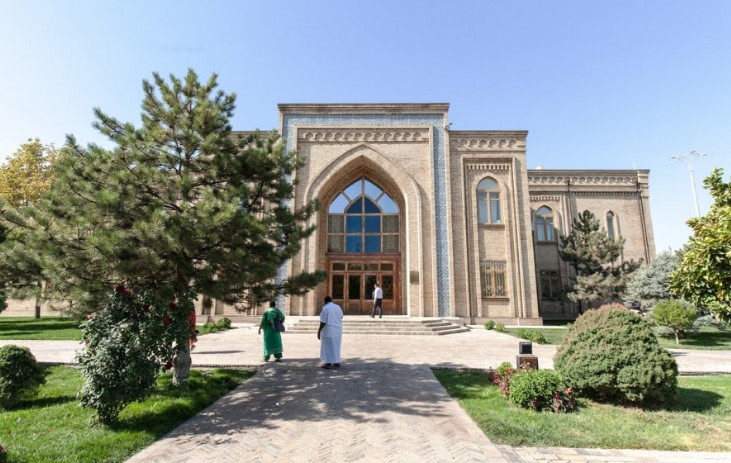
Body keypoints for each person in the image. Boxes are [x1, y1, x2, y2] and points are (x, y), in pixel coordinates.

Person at [317, 296, 343, 369]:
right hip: (337, 330)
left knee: (328, 347)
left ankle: (328, 363)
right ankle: (336, 362)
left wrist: (319, 331)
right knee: (336, 346)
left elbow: (323, 322)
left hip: (328, 331)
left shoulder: (325, 309)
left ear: (325, 302)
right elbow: (341, 317)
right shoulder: (338, 307)